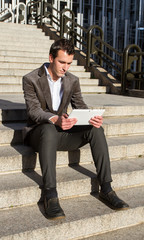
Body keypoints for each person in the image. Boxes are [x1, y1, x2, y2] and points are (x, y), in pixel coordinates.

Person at [22, 38, 129, 220]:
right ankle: (50, 194)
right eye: (62, 62)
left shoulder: (72, 80)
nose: (65, 68)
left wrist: (91, 118)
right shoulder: (31, 79)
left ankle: (106, 188)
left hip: (62, 134)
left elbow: (80, 106)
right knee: (48, 129)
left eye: (69, 63)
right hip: (38, 134)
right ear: (51, 57)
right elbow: (34, 112)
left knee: (96, 130)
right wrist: (55, 119)